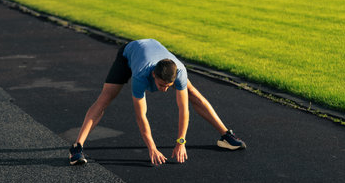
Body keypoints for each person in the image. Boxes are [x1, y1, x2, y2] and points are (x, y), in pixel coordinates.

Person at [69, 39, 246, 166]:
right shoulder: (141, 76)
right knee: (105, 98)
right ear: (153, 75)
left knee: (193, 94)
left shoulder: (180, 72)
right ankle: (77, 147)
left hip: (156, 51)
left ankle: (226, 135)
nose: (165, 89)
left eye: (169, 85)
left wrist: (181, 141)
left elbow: (183, 109)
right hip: (129, 53)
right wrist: (152, 148)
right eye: (162, 85)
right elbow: (141, 116)